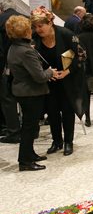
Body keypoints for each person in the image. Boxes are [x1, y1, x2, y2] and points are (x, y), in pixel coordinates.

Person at [31, 6, 88, 156]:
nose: (38, 30)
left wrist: (67, 72)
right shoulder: (34, 40)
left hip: (67, 80)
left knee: (67, 111)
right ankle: (57, 141)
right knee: (52, 112)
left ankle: (68, 141)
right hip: (48, 82)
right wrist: (47, 74)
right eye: (35, 27)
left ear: (50, 23)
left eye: (40, 26)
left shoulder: (65, 34)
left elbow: (81, 55)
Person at [6, 15, 58, 171]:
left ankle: (30, 154)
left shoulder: (14, 47)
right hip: (31, 93)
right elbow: (40, 76)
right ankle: (25, 161)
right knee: (29, 128)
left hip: (22, 91)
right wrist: (50, 72)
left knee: (30, 126)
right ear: (26, 31)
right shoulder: (26, 51)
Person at [0, 0, 21, 144]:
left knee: (8, 98)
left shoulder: (1, 20)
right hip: (25, 62)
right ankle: (33, 130)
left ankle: (13, 131)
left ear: (2, 8)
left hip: (7, 64)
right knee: (27, 97)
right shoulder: (24, 17)